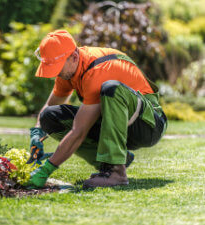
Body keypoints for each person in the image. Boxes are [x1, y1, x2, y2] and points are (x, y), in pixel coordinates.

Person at [26, 30, 167, 188]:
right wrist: (37, 133)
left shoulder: (98, 70)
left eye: (57, 68)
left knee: (111, 88)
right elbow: (50, 106)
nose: (55, 74)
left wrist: (47, 169)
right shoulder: (69, 70)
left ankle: (116, 171)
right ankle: (110, 164)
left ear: (73, 57)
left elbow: (78, 131)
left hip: (149, 124)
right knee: (48, 117)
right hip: (121, 124)